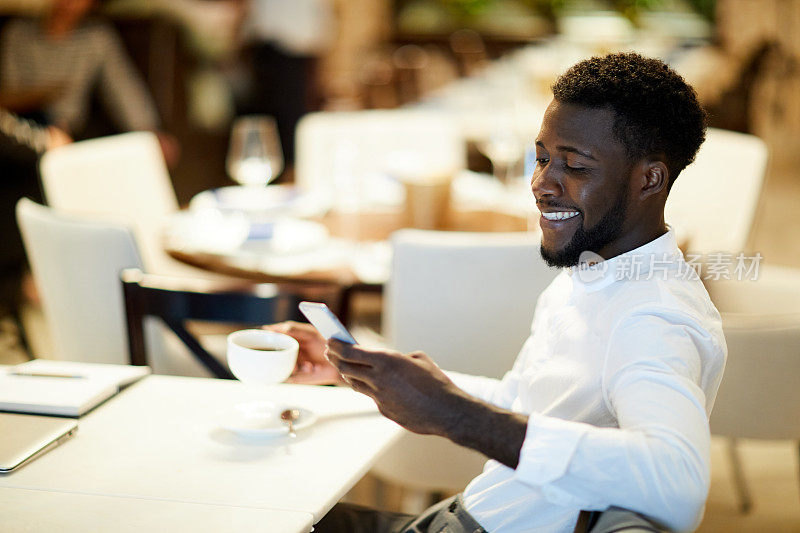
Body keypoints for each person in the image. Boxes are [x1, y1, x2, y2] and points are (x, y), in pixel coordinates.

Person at [269, 52, 726, 532]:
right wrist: (367, 368)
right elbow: (524, 401)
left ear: (649, 178)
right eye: (543, 157)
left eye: (574, 166)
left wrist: (453, 414)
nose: (540, 184)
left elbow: (677, 481)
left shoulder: (654, 316)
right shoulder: (596, 271)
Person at [0, 0, 177, 164]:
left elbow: (122, 87)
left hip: (67, 132)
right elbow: (11, 97)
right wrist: (43, 96)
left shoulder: (95, 39)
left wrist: (149, 130)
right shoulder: (18, 33)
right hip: (18, 129)